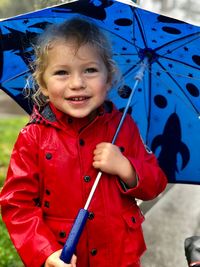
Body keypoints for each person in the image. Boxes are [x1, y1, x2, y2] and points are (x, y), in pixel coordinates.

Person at [0, 17, 167, 267]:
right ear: (43, 84)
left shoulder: (124, 127)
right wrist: (45, 252)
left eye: (90, 70)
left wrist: (127, 168)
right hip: (64, 257)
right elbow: (17, 203)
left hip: (119, 256)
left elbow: (155, 184)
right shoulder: (33, 137)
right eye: (61, 72)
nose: (77, 83)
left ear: (109, 79)